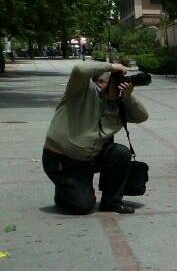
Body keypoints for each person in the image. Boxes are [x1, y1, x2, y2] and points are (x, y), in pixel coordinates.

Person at [42, 62, 148, 214]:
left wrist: (128, 97)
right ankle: (64, 192)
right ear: (98, 81)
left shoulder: (118, 103)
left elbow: (142, 116)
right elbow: (79, 69)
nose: (116, 85)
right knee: (83, 206)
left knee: (120, 152)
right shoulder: (82, 90)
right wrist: (111, 66)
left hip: (88, 159)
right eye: (112, 81)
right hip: (61, 161)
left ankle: (111, 202)